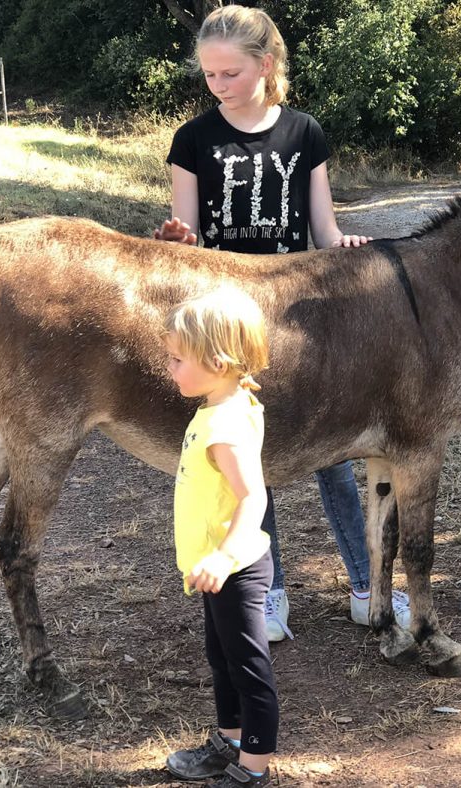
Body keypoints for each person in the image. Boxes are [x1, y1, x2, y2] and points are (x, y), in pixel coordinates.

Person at [154, 4, 410, 642]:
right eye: (209, 74)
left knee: (332, 459)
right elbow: (188, 240)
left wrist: (342, 248)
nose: (217, 84)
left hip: (299, 321)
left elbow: (323, 230)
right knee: (251, 460)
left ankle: (364, 586)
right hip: (231, 322)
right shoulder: (192, 140)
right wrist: (176, 239)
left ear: (264, 66)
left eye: (230, 72)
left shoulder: (305, 133)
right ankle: (269, 594)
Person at [162, 287, 276, 788]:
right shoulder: (219, 406)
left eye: (177, 359)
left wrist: (226, 556)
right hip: (215, 565)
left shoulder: (226, 423)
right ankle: (228, 741)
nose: (170, 368)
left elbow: (253, 498)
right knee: (222, 658)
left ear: (217, 360)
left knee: (248, 668)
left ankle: (252, 769)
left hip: (234, 567)